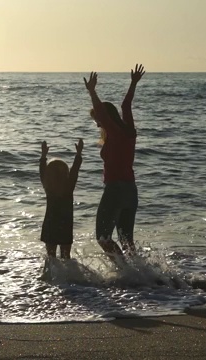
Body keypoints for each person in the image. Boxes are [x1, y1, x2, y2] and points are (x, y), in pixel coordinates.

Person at [83, 64, 145, 260]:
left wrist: (92, 92)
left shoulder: (114, 131)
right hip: (131, 191)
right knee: (127, 241)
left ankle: (124, 270)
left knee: (103, 237)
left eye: (98, 121)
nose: (98, 124)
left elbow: (102, 113)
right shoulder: (129, 131)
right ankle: (140, 277)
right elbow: (126, 105)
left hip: (115, 190)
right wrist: (133, 83)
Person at [39, 139, 83, 259]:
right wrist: (78, 154)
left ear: (49, 175)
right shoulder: (68, 188)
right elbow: (75, 170)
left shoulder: (48, 187)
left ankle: (50, 276)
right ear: (66, 174)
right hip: (65, 225)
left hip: (50, 224)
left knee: (50, 257)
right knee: (66, 256)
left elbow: (42, 172)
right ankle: (68, 276)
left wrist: (43, 156)